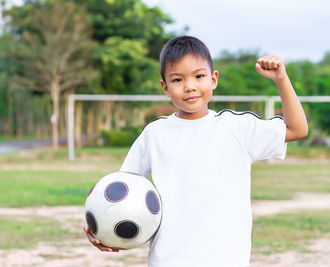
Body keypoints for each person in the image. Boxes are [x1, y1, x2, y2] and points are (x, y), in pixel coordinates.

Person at [84, 35, 308, 267]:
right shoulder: (155, 134)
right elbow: (125, 194)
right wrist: (104, 229)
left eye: (199, 76)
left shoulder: (237, 128)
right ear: (165, 87)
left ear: (213, 79)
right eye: (178, 79)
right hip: (168, 261)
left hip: (226, 260)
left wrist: (281, 78)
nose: (189, 86)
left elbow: (297, 129)